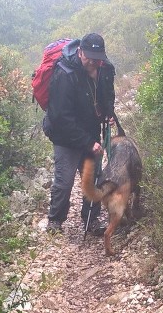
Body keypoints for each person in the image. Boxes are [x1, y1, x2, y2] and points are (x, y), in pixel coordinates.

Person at [42, 33, 116, 234]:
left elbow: (107, 95)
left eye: (97, 57)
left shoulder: (104, 68)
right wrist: (87, 142)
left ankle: (91, 221)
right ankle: (55, 222)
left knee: (92, 179)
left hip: (90, 130)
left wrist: (108, 112)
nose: (93, 61)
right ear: (80, 51)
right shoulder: (64, 74)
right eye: (89, 56)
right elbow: (60, 118)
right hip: (64, 136)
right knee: (64, 182)